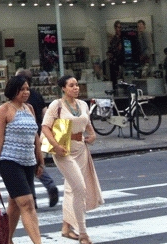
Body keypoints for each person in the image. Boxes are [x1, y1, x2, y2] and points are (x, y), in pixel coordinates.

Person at [42, 75, 103, 244]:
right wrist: (55, 145)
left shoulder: (82, 104)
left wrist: (92, 135)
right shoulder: (57, 105)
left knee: (72, 189)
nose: (76, 88)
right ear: (63, 88)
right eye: (71, 85)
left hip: (80, 148)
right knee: (79, 188)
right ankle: (83, 233)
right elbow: (45, 127)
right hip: (63, 150)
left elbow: (87, 123)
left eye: (77, 84)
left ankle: (66, 228)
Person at [0, 75, 45, 244]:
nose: (26, 92)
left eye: (28, 89)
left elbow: (35, 135)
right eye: (22, 89)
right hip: (9, 161)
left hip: (28, 161)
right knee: (27, 203)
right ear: (13, 91)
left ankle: (6, 240)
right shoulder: (4, 110)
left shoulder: (29, 109)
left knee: (15, 204)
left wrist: (40, 159)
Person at [16, 68, 59, 207]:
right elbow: (45, 113)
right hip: (38, 132)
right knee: (33, 164)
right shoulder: (36, 95)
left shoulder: (19, 98)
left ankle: (33, 198)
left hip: (25, 135)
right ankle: (48, 186)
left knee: (28, 166)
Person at [107, 20, 124, 89]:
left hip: (123, 62)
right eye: (117, 27)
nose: (118, 29)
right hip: (114, 64)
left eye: (120, 27)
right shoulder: (113, 39)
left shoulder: (124, 38)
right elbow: (111, 51)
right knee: (115, 83)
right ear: (115, 28)